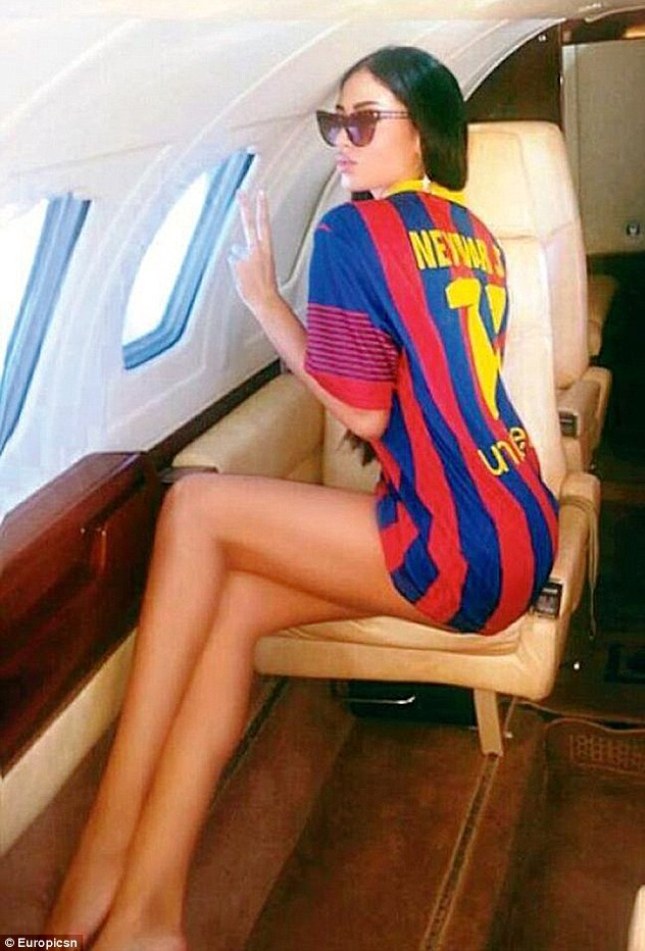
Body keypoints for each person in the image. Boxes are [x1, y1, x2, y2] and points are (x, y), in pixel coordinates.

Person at [46, 45, 558, 950]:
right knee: (237, 607)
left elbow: (363, 410)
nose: (341, 141)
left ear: (422, 133)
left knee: (193, 507)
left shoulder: (352, 233)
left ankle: (100, 852)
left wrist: (263, 302)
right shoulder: (472, 233)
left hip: (459, 538)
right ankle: (145, 917)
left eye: (364, 121)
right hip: (521, 517)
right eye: (334, 123)